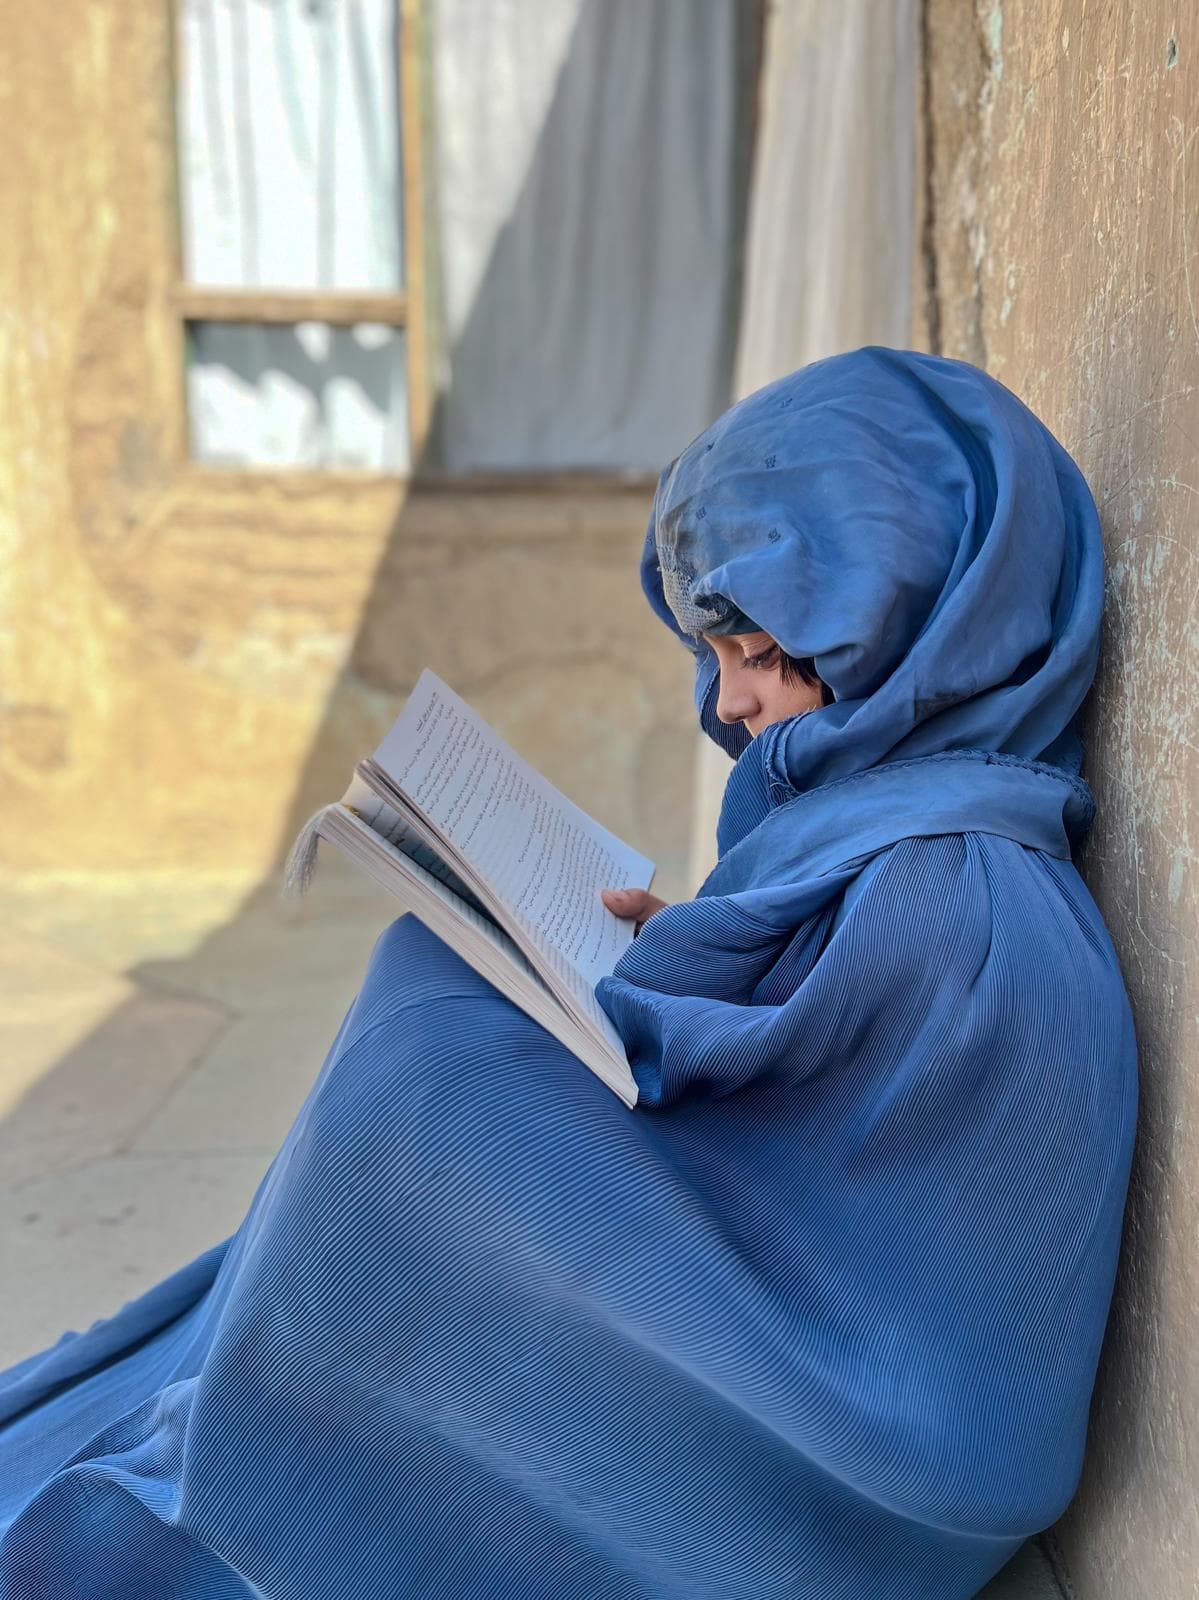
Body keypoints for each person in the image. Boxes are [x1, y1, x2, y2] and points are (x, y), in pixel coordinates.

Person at [0, 347, 1137, 1599]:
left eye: (759, 647)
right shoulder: (920, 809)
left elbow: (819, 1159)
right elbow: (814, 1043)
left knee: (428, 1085)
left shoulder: (960, 881)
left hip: (868, 1430)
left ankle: (287, 1460)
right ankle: (293, 1410)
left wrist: (664, 988)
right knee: (433, 1022)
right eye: (717, 654)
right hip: (830, 1314)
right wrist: (680, 950)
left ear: (901, 606)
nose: (733, 701)